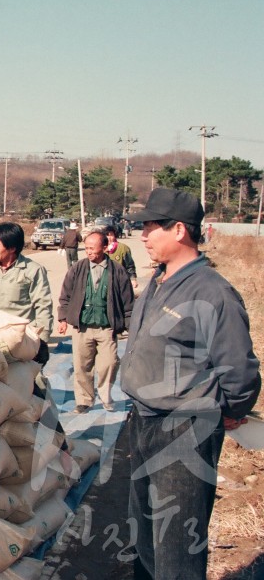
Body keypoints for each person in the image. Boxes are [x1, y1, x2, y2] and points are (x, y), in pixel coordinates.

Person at [119, 188, 260, 580]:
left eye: (150, 227)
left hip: (184, 427)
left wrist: (230, 411)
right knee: (145, 533)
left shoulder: (213, 292)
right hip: (145, 419)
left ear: (179, 229)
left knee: (177, 543)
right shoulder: (161, 281)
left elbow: (239, 370)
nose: (143, 236)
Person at [56, 230, 134, 413]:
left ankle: (105, 395)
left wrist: (130, 325)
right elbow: (65, 294)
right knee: (82, 365)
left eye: (93, 248)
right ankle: (84, 400)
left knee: (109, 363)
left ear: (105, 248)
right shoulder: (78, 268)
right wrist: (63, 318)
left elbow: (128, 301)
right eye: (87, 248)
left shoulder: (117, 270)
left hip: (107, 327)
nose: (89, 252)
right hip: (82, 326)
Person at [0, 222, 54, 363]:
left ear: (12, 247)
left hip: (21, 339)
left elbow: (43, 305)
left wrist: (42, 340)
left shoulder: (33, 270)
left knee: (31, 380)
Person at [104, 224, 138, 289]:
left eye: (111, 235)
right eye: (106, 235)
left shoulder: (123, 248)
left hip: (120, 281)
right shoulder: (101, 249)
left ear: (115, 236)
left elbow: (130, 265)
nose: (108, 238)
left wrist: (133, 279)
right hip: (105, 282)